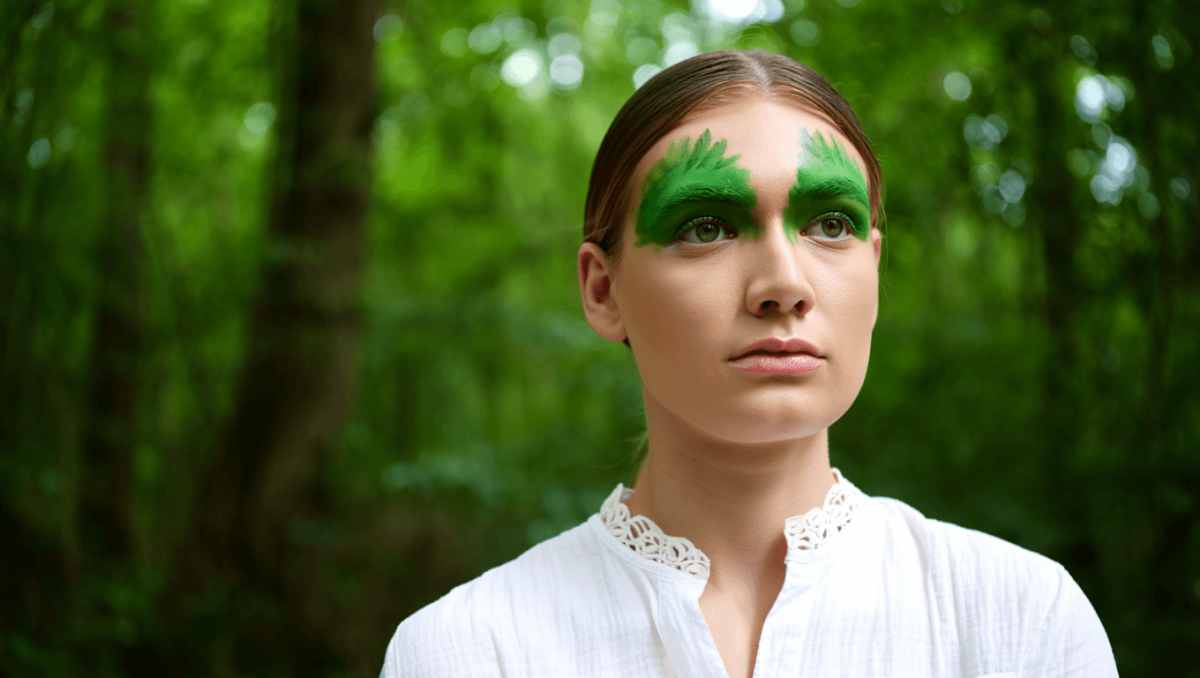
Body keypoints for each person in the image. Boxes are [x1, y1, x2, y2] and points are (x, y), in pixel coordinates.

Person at [380, 49, 1118, 678]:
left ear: (875, 269)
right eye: (707, 227)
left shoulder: (1020, 623)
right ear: (603, 291)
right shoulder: (472, 651)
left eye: (831, 224)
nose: (785, 285)